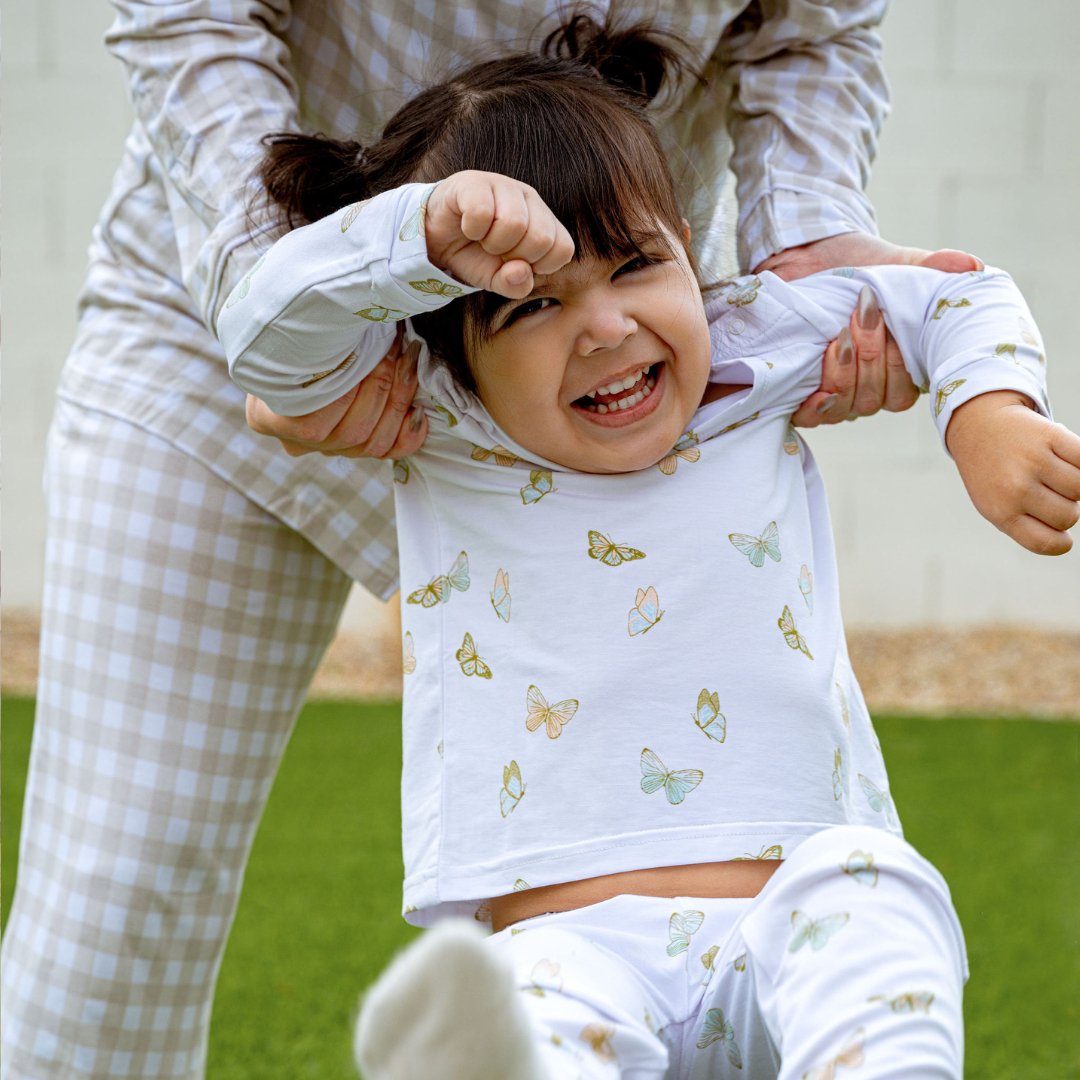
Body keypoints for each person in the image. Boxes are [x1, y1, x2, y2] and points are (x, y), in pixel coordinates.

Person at [0, 3, 981, 1078]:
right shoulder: (357, 323)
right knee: (113, 900)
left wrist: (814, 249)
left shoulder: (667, 341)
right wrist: (320, 288)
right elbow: (194, 21)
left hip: (611, 374)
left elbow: (813, 34)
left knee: (823, 908)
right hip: (243, 316)